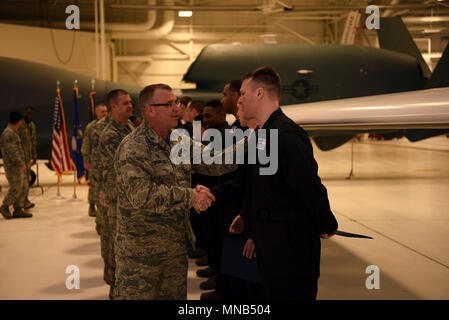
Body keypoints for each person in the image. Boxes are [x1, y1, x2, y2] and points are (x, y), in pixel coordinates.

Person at [113, 83, 238, 300]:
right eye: (169, 104)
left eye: (176, 103)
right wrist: (192, 196)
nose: (176, 109)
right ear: (150, 109)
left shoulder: (177, 139)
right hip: (141, 260)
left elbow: (213, 160)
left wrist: (255, 141)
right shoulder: (133, 147)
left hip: (174, 252)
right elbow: (142, 195)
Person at [230, 66, 338, 300]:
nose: (239, 99)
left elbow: (309, 186)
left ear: (260, 94)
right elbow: (263, 187)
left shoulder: (286, 135)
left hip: (292, 252)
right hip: (274, 249)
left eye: (243, 93)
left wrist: (326, 223)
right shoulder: (264, 135)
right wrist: (248, 216)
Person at [98, 89, 134, 298]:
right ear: (114, 107)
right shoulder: (110, 135)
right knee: (115, 244)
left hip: (128, 197)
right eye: (125, 103)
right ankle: (115, 287)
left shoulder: (128, 127)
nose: (130, 106)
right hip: (117, 198)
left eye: (130, 102)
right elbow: (124, 167)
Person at [89, 107, 112, 285]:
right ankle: (111, 274)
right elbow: (90, 148)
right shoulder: (96, 128)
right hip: (102, 179)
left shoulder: (126, 126)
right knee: (107, 229)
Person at [0, 112, 33, 219]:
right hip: (13, 167)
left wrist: (25, 162)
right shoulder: (9, 134)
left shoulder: (14, 132)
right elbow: (13, 152)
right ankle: (5, 206)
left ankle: (18, 209)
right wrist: (20, 164)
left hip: (19, 166)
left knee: (23, 187)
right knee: (16, 188)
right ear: (18, 121)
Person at [81, 103, 108, 217]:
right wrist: (86, 160)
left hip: (106, 160)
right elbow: (86, 143)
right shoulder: (91, 126)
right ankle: (92, 205)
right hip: (95, 161)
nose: (104, 113)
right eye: (102, 111)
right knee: (94, 185)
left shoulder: (109, 125)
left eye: (106, 111)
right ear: (96, 112)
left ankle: (103, 206)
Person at [17, 106, 37, 210]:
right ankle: (19, 202)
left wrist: (34, 155)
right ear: (24, 112)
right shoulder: (19, 124)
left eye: (31, 114)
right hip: (20, 158)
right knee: (21, 181)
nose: (29, 115)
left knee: (27, 179)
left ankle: (25, 200)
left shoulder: (32, 126)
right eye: (28, 113)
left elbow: (33, 141)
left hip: (28, 158)